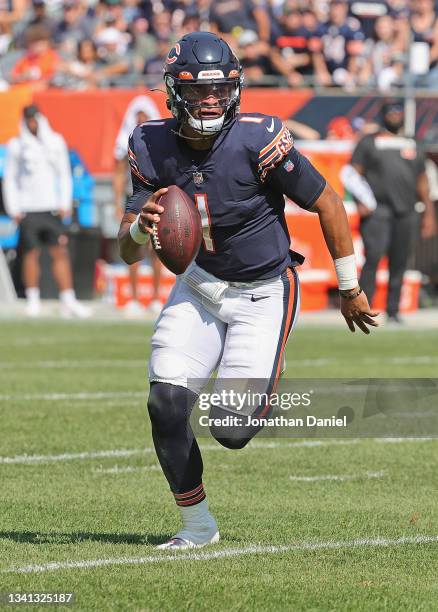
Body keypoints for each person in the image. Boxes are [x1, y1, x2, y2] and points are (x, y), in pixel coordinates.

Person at [118, 32, 378, 550]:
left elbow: (328, 203)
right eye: (198, 91)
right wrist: (136, 229)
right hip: (198, 286)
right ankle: (197, 526)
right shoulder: (149, 142)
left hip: (263, 291)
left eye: (221, 89)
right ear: (174, 91)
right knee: (165, 405)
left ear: (236, 88)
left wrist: (349, 286)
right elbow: (126, 251)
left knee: (230, 429)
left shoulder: (258, 138)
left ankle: (262, 385)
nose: (211, 100)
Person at [351, 99, 437, 323]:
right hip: (378, 210)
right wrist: (361, 200)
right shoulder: (370, 142)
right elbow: (352, 174)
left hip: (406, 211)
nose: (395, 116)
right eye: (391, 112)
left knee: (399, 262)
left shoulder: (412, 143)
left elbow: (422, 180)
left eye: (399, 112)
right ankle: (363, 308)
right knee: (373, 259)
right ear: (383, 115)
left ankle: (393, 310)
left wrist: (428, 212)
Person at [2, 105, 90, 318]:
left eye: (34, 119)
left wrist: (64, 203)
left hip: (51, 207)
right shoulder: (16, 146)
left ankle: (68, 299)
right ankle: (33, 298)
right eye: (28, 120)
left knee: (60, 251)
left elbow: (64, 174)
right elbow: (10, 178)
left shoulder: (55, 142)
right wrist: (14, 207)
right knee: (30, 254)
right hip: (28, 209)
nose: (32, 124)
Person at [113, 94, 163, 315]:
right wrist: (116, 203)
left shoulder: (160, 143)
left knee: (156, 247)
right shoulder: (128, 141)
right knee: (133, 243)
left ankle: (155, 296)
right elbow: (119, 174)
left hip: (155, 196)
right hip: (134, 197)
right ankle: (132, 297)